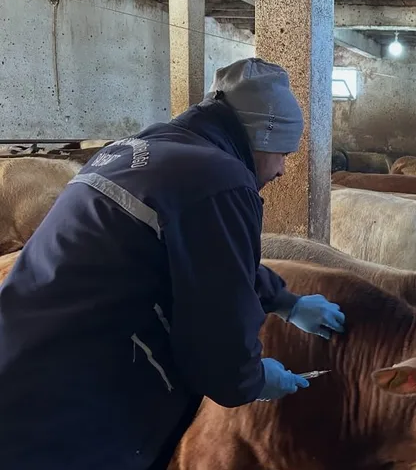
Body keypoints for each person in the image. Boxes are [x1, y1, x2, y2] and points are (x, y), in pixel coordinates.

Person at [0, 58, 346, 470]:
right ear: (263, 134)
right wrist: (252, 379)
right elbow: (219, 335)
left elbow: (206, 260)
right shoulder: (220, 180)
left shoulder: (135, 150)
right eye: (284, 153)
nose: (283, 170)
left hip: (22, 364)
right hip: (70, 411)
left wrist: (286, 302)